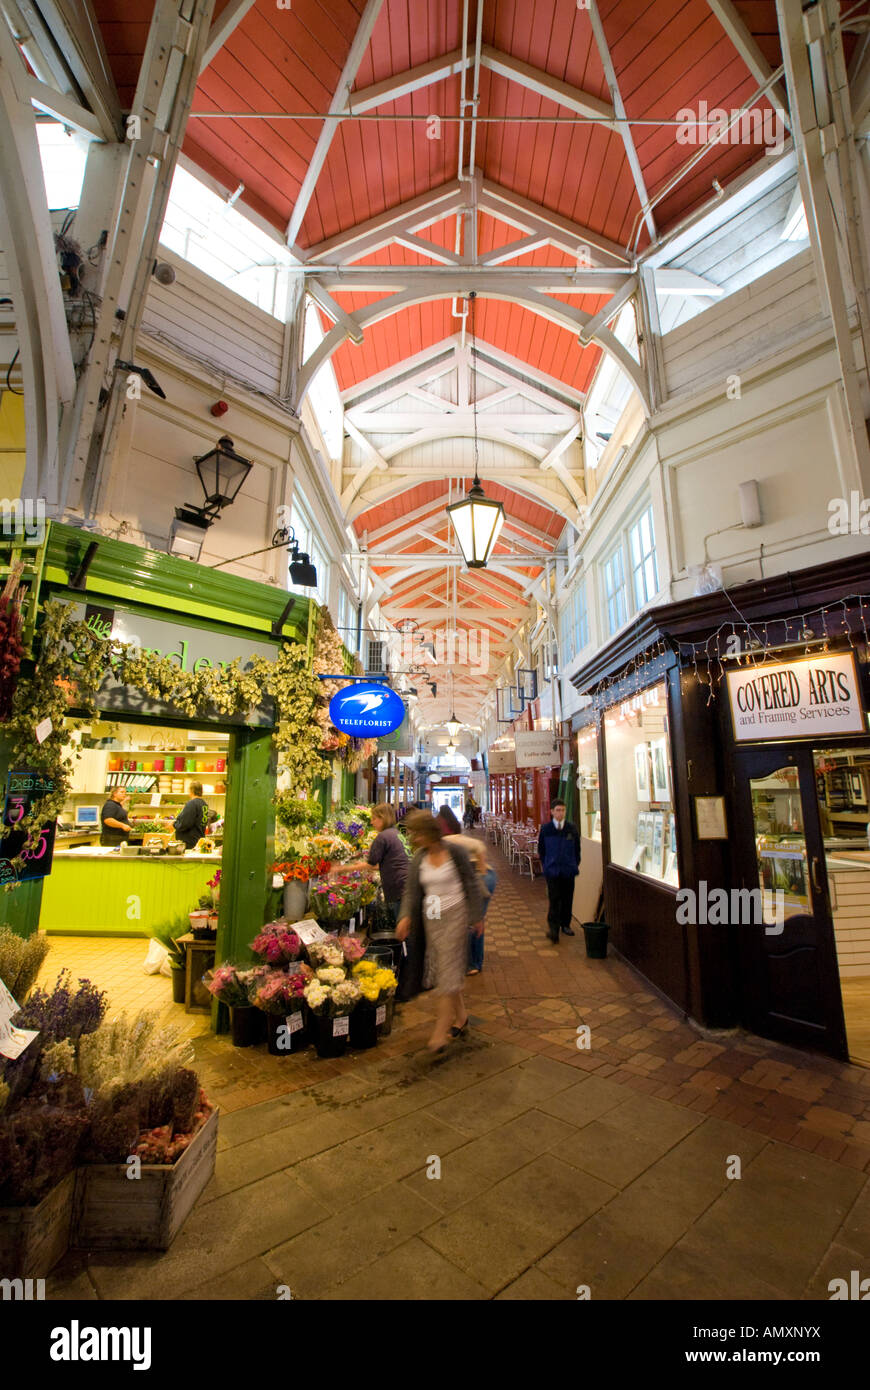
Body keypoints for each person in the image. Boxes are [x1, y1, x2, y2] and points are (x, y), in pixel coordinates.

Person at [396, 810, 483, 1052]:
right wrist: (405, 917)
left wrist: (477, 916)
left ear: (427, 832)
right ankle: (461, 1017)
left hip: (455, 916)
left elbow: (471, 882)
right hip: (431, 919)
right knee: (445, 970)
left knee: (447, 972)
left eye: (416, 833)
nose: (413, 838)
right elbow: (411, 892)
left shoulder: (454, 852)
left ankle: (439, 1033)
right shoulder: (419, 859)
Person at [343, 802, 408, 927]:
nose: (371, 822)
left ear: (382, 818)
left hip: (399, 888)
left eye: (374, 818)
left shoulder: (383, 836)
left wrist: (344, 869)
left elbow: (371, 864)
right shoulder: (396, 833)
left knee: (402, 929)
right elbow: (387, 864)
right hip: (406, 887)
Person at [450, 832, 496, 975]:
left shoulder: (447, 841)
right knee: (472, 919)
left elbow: (479, 847)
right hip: (478, 878)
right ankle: (471, 961)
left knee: (474, 920)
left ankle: (473, 963)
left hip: (481, 879)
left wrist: (481, 873)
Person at [538, 799, 581, 943]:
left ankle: (566, 925)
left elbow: (577, 850)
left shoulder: (572, 828)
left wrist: (574, 864)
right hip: (553, 871)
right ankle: (553, 928)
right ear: (551, 812)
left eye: (562, 810)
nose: (560, 813)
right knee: (554, 899)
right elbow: (541, 850)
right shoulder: (546, 829)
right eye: (557, 810)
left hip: (568, 870)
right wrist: (547, 865)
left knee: (568, 898)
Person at [173, 781, 210, 850]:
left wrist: (175, 824)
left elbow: (185, 823)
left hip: (189, 842)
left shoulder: (192, 804)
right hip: (199, 839)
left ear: (191, 791)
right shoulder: (204, 804)